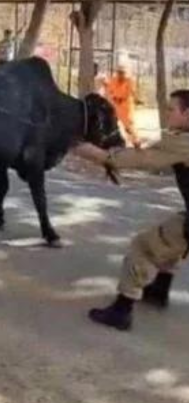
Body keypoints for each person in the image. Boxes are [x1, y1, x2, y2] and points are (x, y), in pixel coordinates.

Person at [74, 90, 189, 331]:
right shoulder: (180, 139)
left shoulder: (182, 143)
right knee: (171, 238)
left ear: (187, 113)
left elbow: (143, 160)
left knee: (143, 247)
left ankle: (121, 310)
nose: (166, 113)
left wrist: (91, 152)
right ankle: (158, 291)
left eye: (171, 109)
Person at [105, 61, 142, 148]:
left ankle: (136, 141)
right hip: (115, 104)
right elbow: (109, 91)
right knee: (112, 123)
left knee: (129, 125)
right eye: (119, 72)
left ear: (126, 73)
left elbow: (133, 92)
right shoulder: (113, 80)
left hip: (126, 105)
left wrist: (137, 99)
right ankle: (114, 141)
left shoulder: (129, 81)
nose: (121, 74)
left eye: (123, 73)